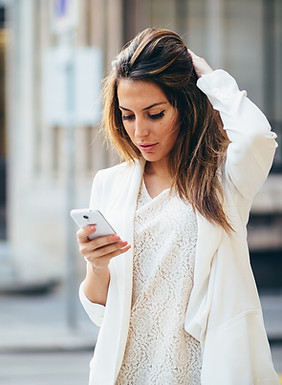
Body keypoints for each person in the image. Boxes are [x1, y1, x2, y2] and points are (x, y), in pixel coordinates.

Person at [76, 28, 279, 385]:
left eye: (155, 114)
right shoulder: (110, 184)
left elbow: (257, 137)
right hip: (126, 374)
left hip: (203, 371)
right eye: (128, 115)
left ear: (184, 107)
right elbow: (99, 311)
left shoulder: (222, 180)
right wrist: (97, 265)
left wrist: (209, 79)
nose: (140, 132)